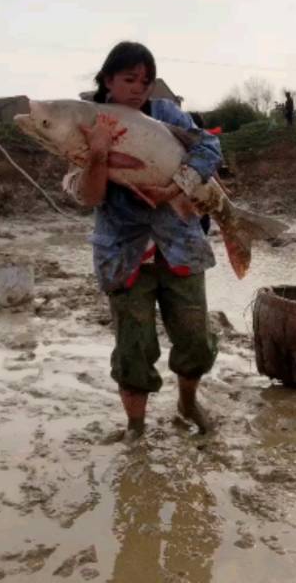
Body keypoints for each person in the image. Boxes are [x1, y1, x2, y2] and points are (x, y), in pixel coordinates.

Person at [64, 42, 222, 440]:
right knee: (134, 347)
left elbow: (209, 145)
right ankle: (135, 426)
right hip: (124, 253)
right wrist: (98, 155)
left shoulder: (164, 114)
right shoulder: (84, 123)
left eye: (145, 82)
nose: (138, 89)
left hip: (178, 245)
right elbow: (90, 197)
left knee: (195, 340)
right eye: (129, 79)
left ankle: (187, 402)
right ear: (107, 80)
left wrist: (177, 187)